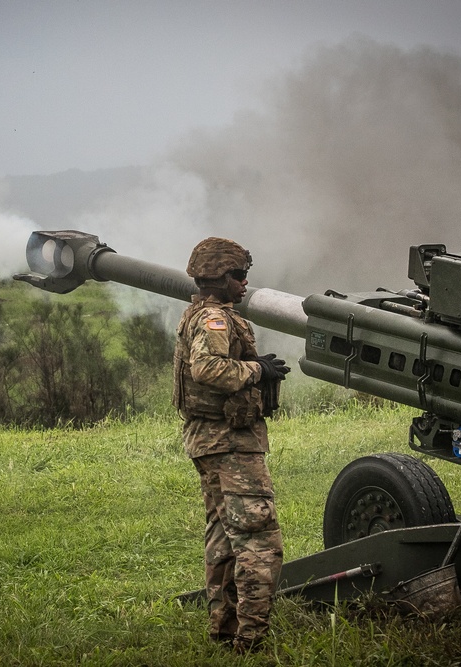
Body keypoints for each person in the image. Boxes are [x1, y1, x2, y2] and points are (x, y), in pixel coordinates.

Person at [173, 237, 290, 653]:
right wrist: (256, 370)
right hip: (230, 443)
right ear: (220, 279)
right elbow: (207, 368)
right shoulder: (214, 320)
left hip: (212, 441)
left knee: (223, 539)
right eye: (239, 276)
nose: (244, 284)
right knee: (259, 540)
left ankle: (224, 632)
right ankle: (251, 639)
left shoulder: (203, 315)